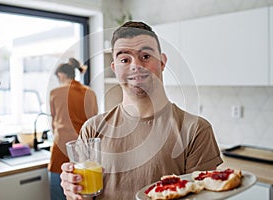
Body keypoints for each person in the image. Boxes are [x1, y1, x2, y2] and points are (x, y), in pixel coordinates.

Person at [60, 21, 223, 200]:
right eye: (124, 59)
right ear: (114, 68)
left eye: (145, 56)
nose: (135, 66)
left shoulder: (196, 130)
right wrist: (74, 192)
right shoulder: (92, 129)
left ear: (162, 62)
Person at [49, 58, 98, 200]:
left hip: (61, 153)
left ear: (61, 75)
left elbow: (54, 124)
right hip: (86, 155)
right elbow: (95, 124)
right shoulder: (90, 93)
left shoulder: (55, 93)